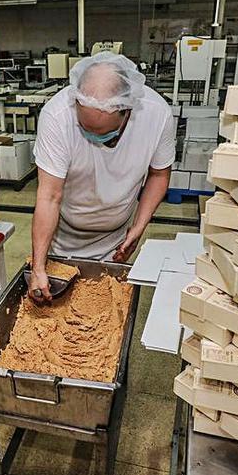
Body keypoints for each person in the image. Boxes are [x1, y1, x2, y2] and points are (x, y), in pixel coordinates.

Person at [28, 52, 175, 301]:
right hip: (63, 238)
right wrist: (38, 267)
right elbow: (49, 196)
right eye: (86, 129)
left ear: (127, 111)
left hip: (115, 240)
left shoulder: (156, 114)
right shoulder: (57, 115)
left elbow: (159, 174)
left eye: (104, 133)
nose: (95, 138)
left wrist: (138, 227)